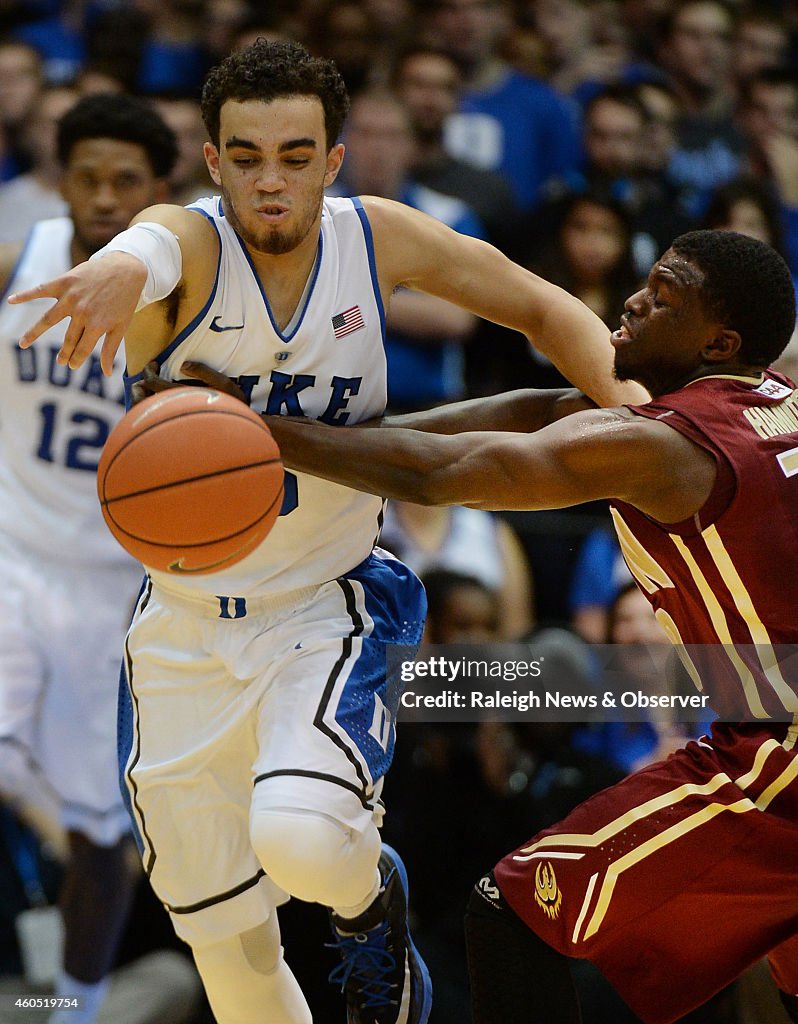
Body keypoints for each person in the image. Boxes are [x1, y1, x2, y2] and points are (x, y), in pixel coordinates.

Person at [7, 38, 645, 1024]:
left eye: (296, 155)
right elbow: (153, 242)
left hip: (328, 600)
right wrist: (115, 270)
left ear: (334, 159)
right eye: (247, 156)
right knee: (223, 945)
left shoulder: (376, 237)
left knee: (302, 838)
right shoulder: (185, 244)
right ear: (213, 161)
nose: (271, 180)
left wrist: (629, 396)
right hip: (178, 631)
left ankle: (370, 896)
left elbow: (539, 305)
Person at [253, 228, 798, 1024]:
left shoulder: (670, 448)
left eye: (666, 295)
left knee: (511, 914)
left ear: (719, 341)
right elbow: (545, 409)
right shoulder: (773, 399)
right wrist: (344, 443)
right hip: (758, 728)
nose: (637, 300)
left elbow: (447, 473)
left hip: (777, 755)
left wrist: (259, 436)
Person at [0, 92, 178, 1024]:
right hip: (9, 551)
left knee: (99, 835)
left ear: (159, 192)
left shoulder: (186, 310)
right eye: (88, 176)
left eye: (127, 182)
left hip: (113, 584)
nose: (105, 197)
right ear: (59, 179)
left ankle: (72, 1005)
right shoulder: (18, 260)